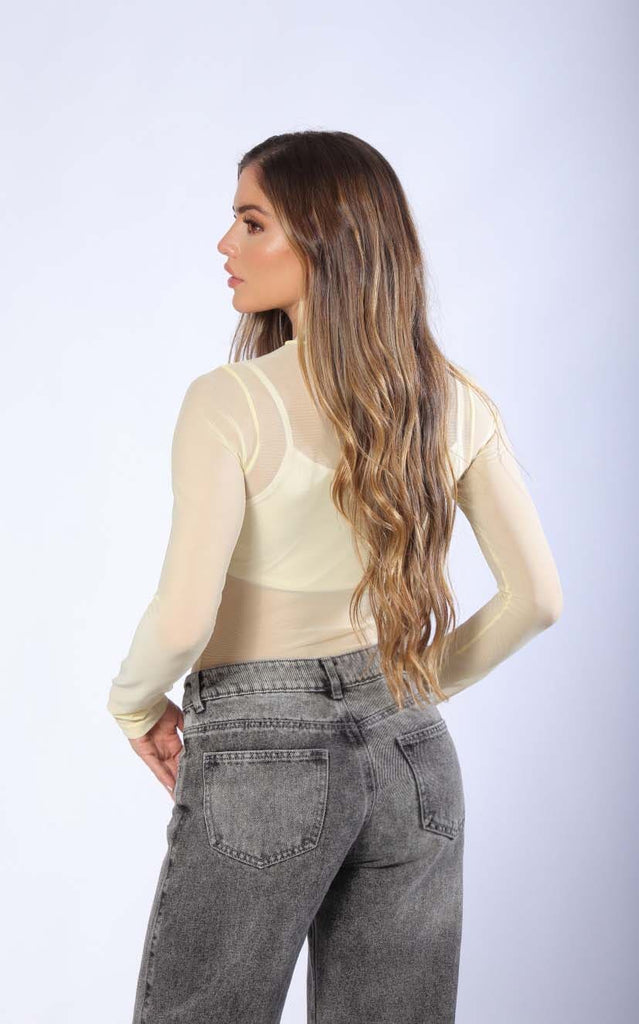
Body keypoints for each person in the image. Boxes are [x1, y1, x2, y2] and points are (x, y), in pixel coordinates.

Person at [106, 131, 563, 1024]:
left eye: (252, 223)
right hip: (411, 756)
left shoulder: (231, 399)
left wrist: (132, 705)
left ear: (324, 239)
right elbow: (536, 598)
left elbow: (184, 617)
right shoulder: (452, 400)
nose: (225, 244)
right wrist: (407, 687)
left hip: (261, 751)